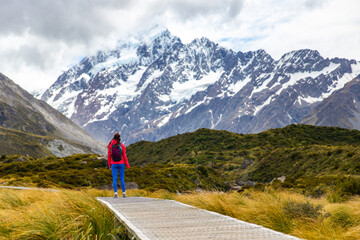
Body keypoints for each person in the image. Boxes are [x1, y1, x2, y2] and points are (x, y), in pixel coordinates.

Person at [108, 132, 130, 198]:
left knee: (114, 178)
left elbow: (109, 156)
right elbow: (124, 155)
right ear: (119, 138)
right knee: (122, 178)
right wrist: (127, 164)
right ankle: (124, 193)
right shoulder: (122, 145)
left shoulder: (110, 145)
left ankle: (115, 193)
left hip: (113, 164)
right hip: (121, 163)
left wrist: (109, 165)